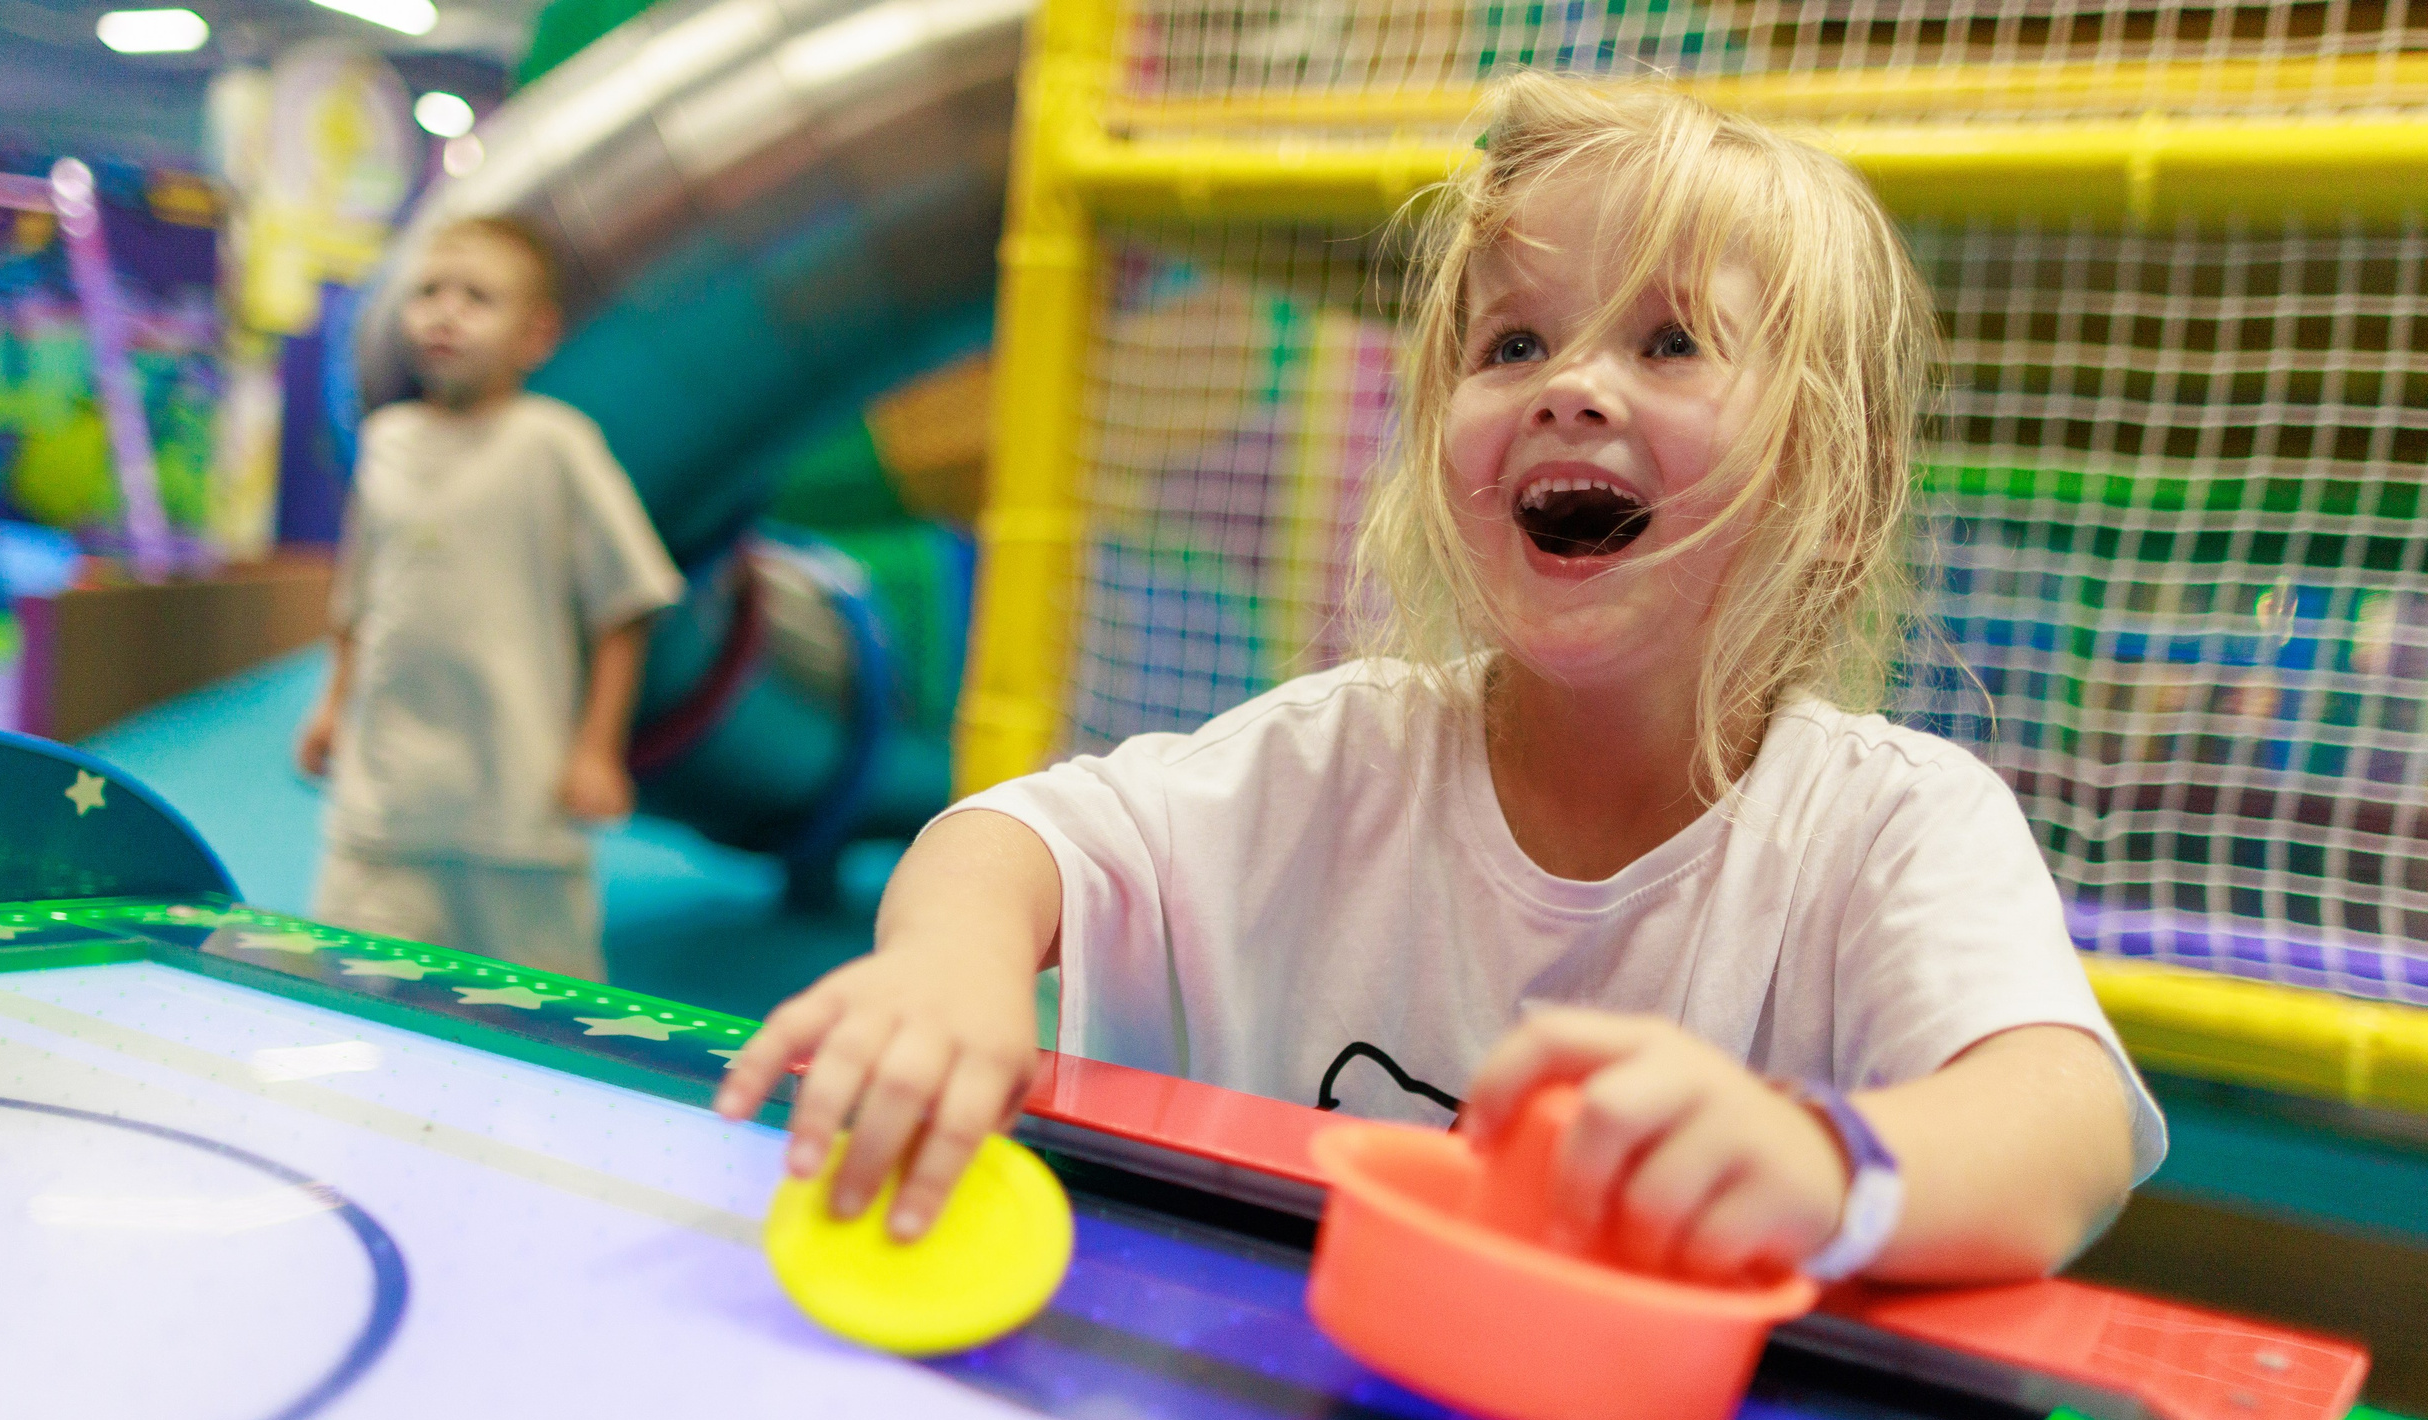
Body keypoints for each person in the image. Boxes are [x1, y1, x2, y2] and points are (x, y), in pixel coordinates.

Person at [719, 76, 2163, 1286]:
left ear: (1829, 488)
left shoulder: (1887, 824)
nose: (1571, 385)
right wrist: (947, 974)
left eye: (1670, 341)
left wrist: (1824, 1163)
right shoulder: (1343, 758)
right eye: (1513, 342)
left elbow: (2066, 1123)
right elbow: (1016, 837)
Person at [297, 216, 682, 981]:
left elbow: (626, 605)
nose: (445, 313)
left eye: (478, 298)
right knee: (351, 986)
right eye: (428, 292)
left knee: (543, 1008)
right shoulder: (386, 441)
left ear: (536, 335)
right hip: (385, 811)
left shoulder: (554, 444)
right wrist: (333, 704)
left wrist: (596, 749)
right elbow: (361, 598)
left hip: (517, 814)